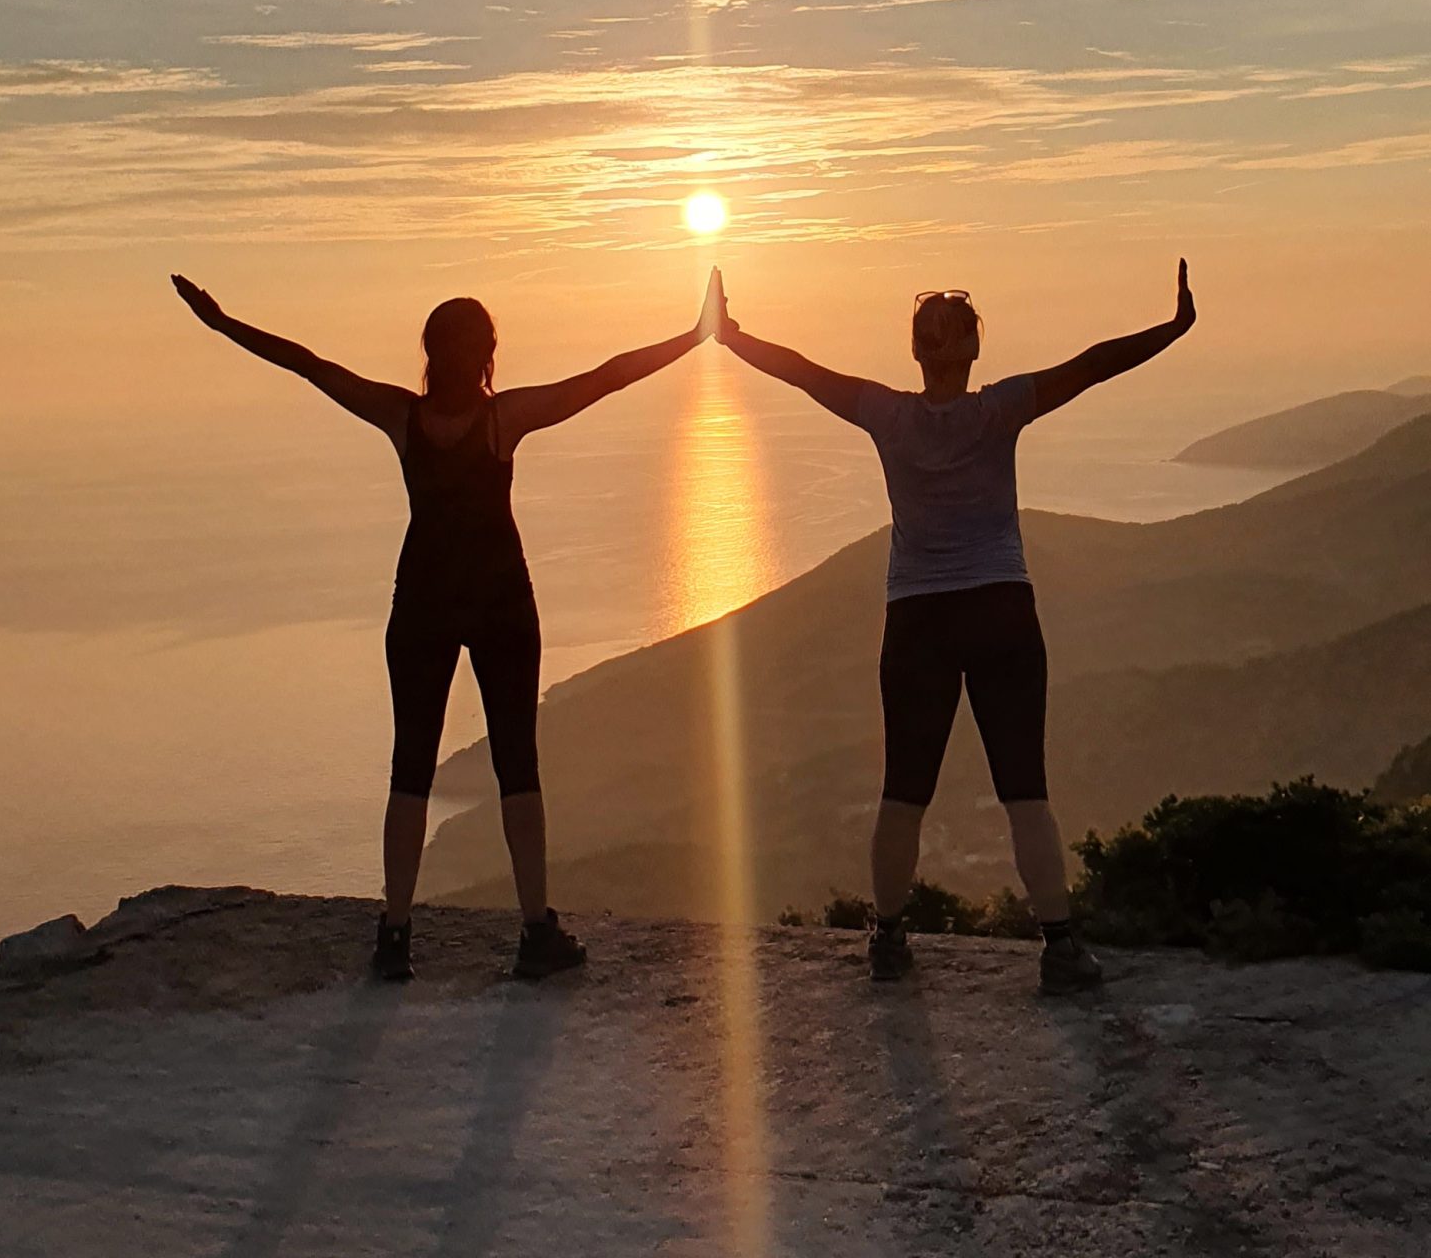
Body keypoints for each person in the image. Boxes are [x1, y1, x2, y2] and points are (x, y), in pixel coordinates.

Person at [171, 267, 720, 982]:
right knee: (517, 763)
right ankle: (534, 932)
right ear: (489, 354)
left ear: (428, 353)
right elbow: (607, 377)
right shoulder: (503, 420)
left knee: (411, 767)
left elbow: (309, 365)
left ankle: (395, 935)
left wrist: (222, 323)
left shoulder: (403, 418)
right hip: (501, 603)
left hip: (423, 603)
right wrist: (696, 334)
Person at [710, 260, 1196, 990]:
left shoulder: (887, 413)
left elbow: (804, 373)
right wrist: (1173, 327)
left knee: (903, 788)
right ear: (972, 348)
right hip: (1002, 608)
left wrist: (730, 336)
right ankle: (1060, 946)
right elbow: (1094, 365)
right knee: (1024, 787)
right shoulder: (1000, 409)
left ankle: (889, 938)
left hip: (917, 619)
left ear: (916, 352)